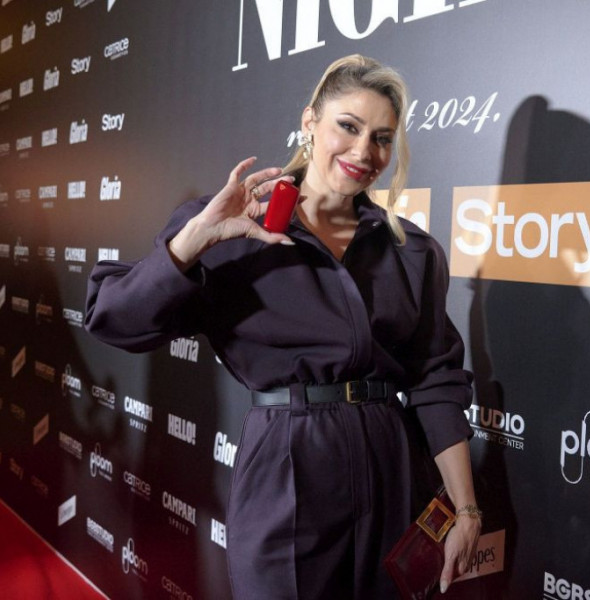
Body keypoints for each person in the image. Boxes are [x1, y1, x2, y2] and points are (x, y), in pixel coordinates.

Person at [85, 55, 481, 599]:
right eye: (348, 126)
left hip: (391, 467)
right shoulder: (233, 228)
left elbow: (436, 379)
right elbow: (113, 318)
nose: (364, 152)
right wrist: (194, 239)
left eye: (382, 138)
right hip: (288, 466)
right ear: (309, 122)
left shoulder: (411, 250)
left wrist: (467, 509)